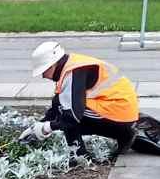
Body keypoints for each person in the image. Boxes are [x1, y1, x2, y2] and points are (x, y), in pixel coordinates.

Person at [23, 42, 159, 157]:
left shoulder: (73, 72)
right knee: (62, 108)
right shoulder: (71, 66)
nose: (43, 76)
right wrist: (37, 126)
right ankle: (124, 134)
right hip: (120, 109)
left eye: (43, 71)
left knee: (69, 116)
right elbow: (57, 102)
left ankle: (79, 155)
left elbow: (72, 116)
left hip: (119, 113)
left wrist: (47, 128)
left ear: (53, 65)